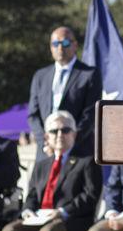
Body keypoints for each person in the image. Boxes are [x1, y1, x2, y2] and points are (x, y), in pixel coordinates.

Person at [2, 111, 102, 231]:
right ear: (46, 136)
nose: (60, 135)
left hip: (71, 221)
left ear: (74, 134)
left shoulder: (86, 161)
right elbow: (31, 196)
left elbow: (90, 196)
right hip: (40, 218)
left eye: (65, 130)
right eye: (54, 131)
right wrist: (28, 211)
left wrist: (63, 211)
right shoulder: (42, 165)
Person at [27, 26, 102, 160]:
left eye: (65, 43)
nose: (60, 47)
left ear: (75, 45)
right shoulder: (40, 76)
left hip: (77, 153)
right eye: (56, 43)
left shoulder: (89, 74)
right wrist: (46, 142)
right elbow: (33, 114)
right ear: (51, 47)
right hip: (46, 153)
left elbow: (91, 114)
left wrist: (69, 141)